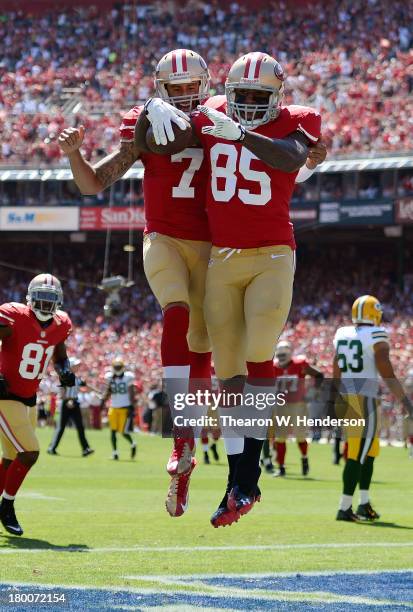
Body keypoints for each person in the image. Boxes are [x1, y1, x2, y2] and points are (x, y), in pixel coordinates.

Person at [149, 51, 323, 527]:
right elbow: (168, 135)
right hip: (222, 258)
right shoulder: (211, 116)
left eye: (256, 96)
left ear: (278, 96)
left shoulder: (297, 119)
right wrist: (151, 108)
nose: (245, 103)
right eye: (240, 95)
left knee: (260, 352)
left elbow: (293, 155)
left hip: (271, 254)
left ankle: (247, 478)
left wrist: (243, 134)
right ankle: (237, 482)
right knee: (229, 378)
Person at [58, 49, 214, 517]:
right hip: (164, 237)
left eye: (193, 86)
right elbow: (94, 184)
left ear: (205, 84)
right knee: (176, 315)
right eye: (177, 87)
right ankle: (179, 439)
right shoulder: (144, 123)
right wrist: (74, 155)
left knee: (203, 350)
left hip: (212, 245)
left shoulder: (222, 117)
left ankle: (185, 466)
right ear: (161, 88)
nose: (186, 95)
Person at [0, 274, 74, 536]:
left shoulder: (62, 323)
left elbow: (60, 356)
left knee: (11, 459)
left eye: (50, 299)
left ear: (59, 301)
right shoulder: (14, 316)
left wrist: (65, 371)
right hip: (5, 395)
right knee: (30, 452)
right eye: (41, 298)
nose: (45, 303)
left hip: (29, 398)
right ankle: (7, 507)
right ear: (30, 298)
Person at [331, 295, 413, 522]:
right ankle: (344, 506)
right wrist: (405, 402)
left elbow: (336, 365)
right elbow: (386, 370)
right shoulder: (376, 334)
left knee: (370, 451)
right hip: (364, 398)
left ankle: (363, 503)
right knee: (358, 453)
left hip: (347, 396)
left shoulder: (342, 333)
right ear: (374, 313)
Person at [270, 340, 324, 477]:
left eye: (284, 354)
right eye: (280, 354)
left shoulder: (300, 364)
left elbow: (319, 375)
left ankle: (304, 458)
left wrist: (312, 393)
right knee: (280, 438)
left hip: (298, 405)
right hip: (281, 406)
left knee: (300, 435)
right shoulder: (274, 367)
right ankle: (281, 467)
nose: (281, 357)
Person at [47, 357, 94, 457]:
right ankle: (52, 448)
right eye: (76, 365)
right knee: (61, 427)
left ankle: (85, 448)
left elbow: (86, 386)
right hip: (66, 403)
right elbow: (62, 392)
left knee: (80, 427)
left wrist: (98, 392)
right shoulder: (65, 377)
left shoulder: (76, 378)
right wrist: (68, 400)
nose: (77, 367)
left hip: (75, 403)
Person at [101, 357, 137, 460]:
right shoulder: (109, 377)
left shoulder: (128, 377)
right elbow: (108, 391)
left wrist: (132, 407)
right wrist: (104, 398)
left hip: (125, 407)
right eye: (116, 367)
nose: (117, 368)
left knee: (123, 432)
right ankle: (115, 452)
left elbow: (131, 393)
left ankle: (133, 443)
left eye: (118, 367)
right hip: (113, 407)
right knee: (112, 431)